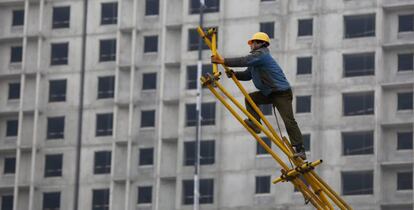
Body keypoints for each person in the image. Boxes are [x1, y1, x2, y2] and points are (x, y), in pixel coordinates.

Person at [211, 32, 306, 160]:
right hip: (270, 93)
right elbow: (248, 75)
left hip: (281, 93)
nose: (251, 45)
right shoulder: (255, 60)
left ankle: (300, 149)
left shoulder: (261, 55)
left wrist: (223, 61)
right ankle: (255, 123)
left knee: (288, 121)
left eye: (254, 43)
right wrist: (235, 75)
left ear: (261, 44)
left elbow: (243, 61)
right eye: (252, 43)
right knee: (250, 99)